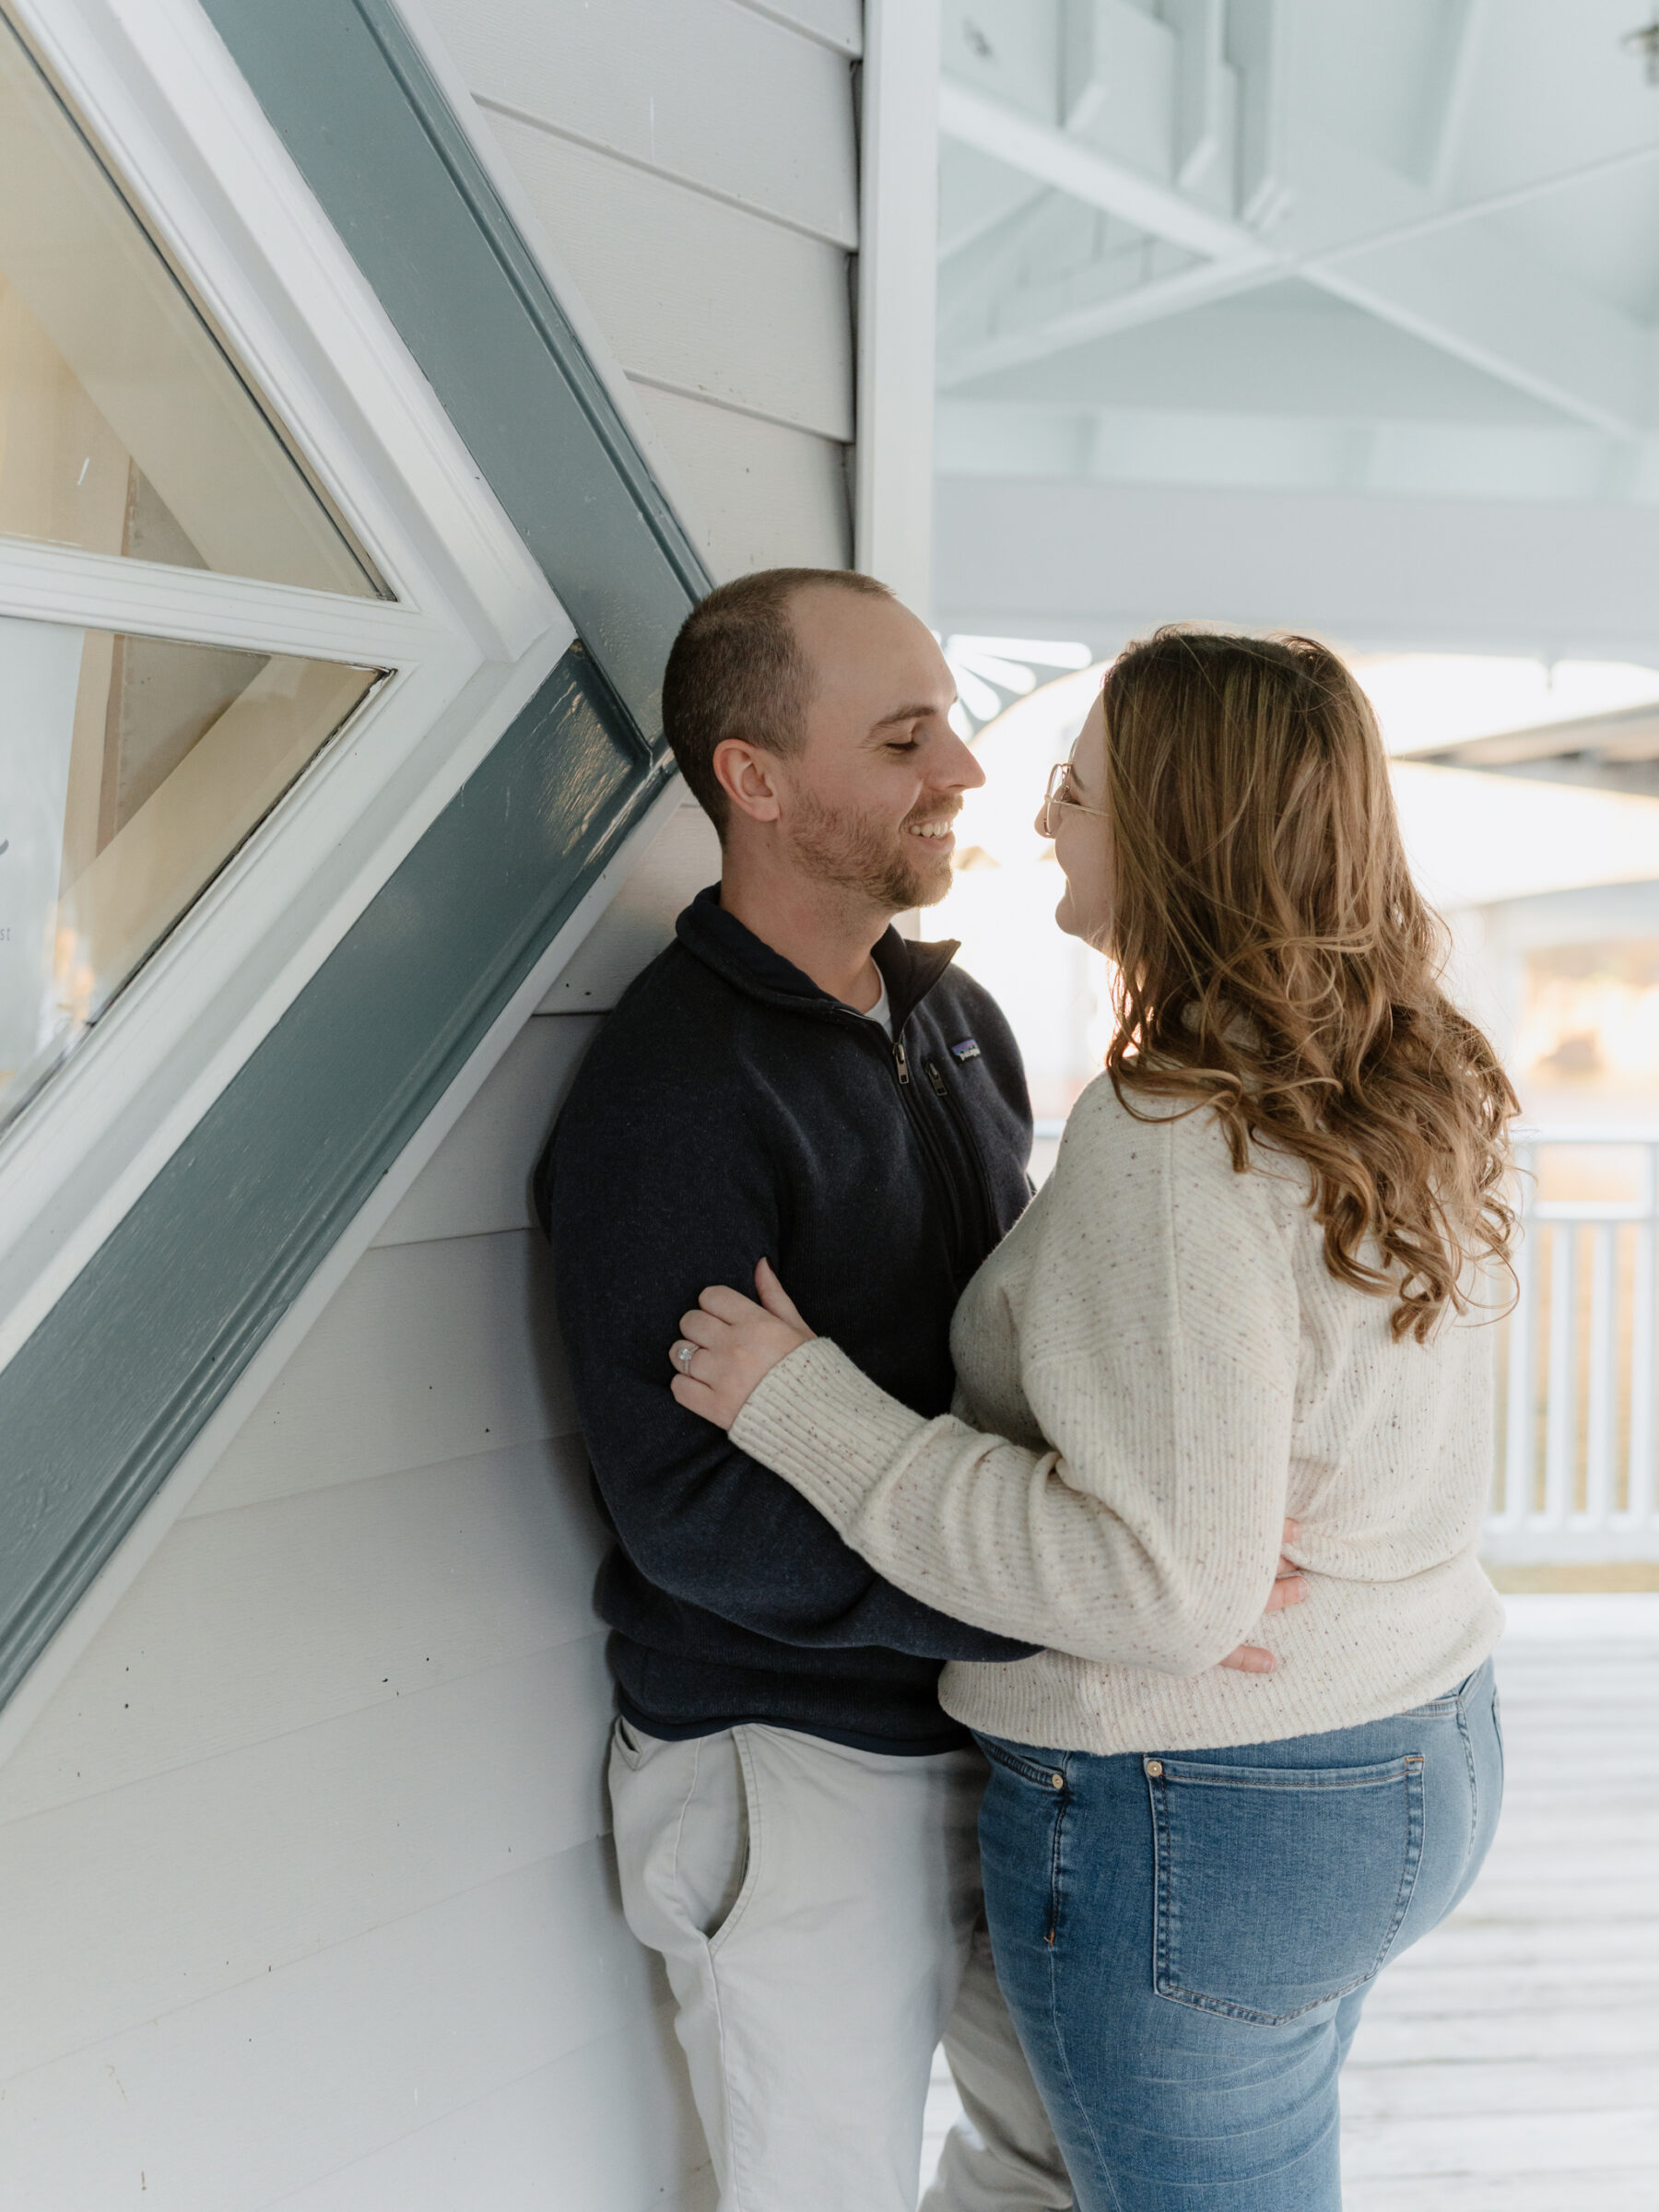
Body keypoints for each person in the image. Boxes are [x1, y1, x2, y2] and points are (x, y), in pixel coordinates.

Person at [668, 627, 1517, 2212]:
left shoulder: (1172, 1136)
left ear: (1177, 833)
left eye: (1076, 787)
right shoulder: (1406, 1065)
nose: (1039, 814)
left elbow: (1166, 1594)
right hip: (1420, 1745)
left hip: (1216, 1808)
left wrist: (812, 1415)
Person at [537, 569, 1079, 2212]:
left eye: (953, 728)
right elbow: (696, 1518)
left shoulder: (959, 1019)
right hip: (795, 1766)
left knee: (1065, 2169)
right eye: (905, 738)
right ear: (752, 782)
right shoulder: (675, 1091)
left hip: (996, 1733)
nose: (965, 775)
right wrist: (1039, 1601)